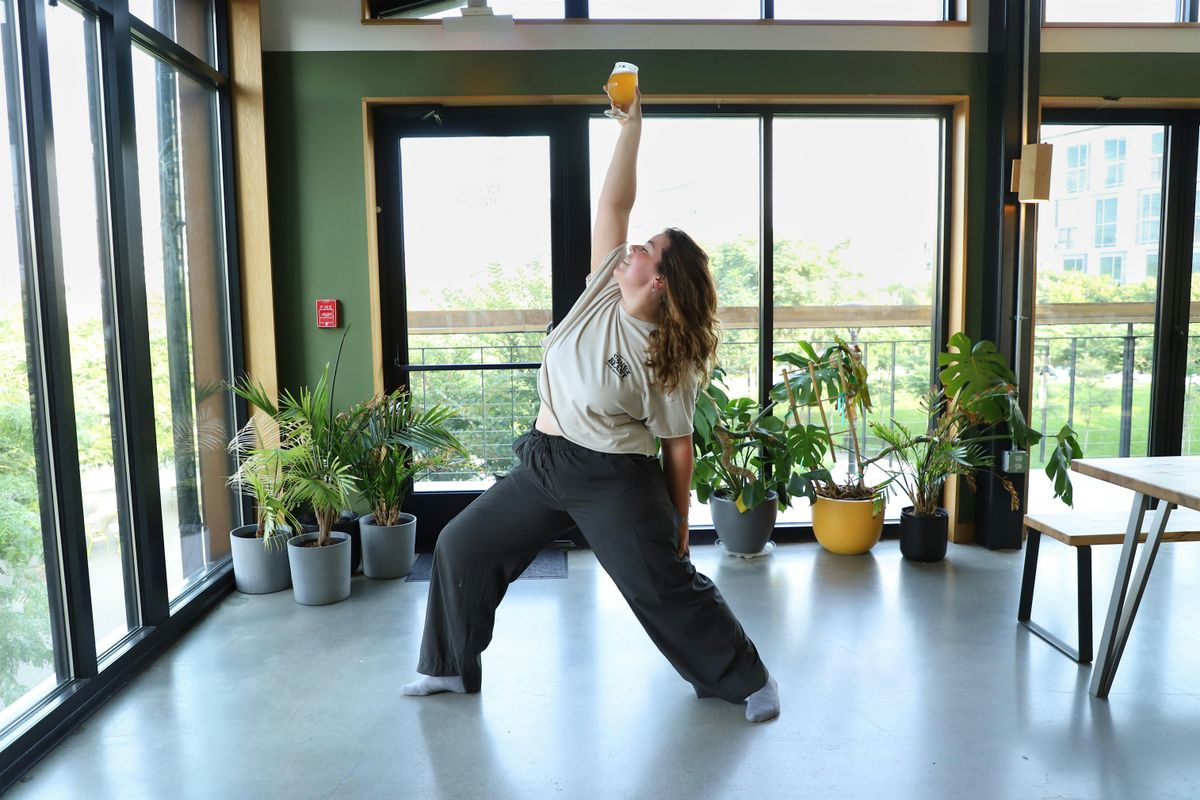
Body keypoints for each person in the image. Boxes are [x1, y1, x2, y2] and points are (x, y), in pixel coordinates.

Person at [400, 88, 780, 723]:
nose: (633, 248)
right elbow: (614, 204)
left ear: (659, 280)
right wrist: (631, 127)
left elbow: (677, 445)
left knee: (661, 585)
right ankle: (447, 668)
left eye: (647, 249)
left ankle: (751, 679)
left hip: (612, 478)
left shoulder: (665, 357)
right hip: (545, 461)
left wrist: (677, 519)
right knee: (461, 545)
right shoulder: (604, 287)